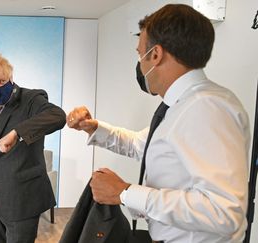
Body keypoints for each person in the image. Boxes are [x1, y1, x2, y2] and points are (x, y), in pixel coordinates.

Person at [67, 4, 250, 243]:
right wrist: (94, 127)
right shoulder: (183, 105)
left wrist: (125, 192)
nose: (140, 65)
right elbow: (142, 145)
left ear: (155, 54)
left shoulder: (206, 109)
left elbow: (224, 212)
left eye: (139, 53)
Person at [0, 52, 66, 243]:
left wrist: (17, 133)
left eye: (2, 81)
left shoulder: (30, 99)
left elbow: (58, 116)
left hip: (22, 198)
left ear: (11, 78)